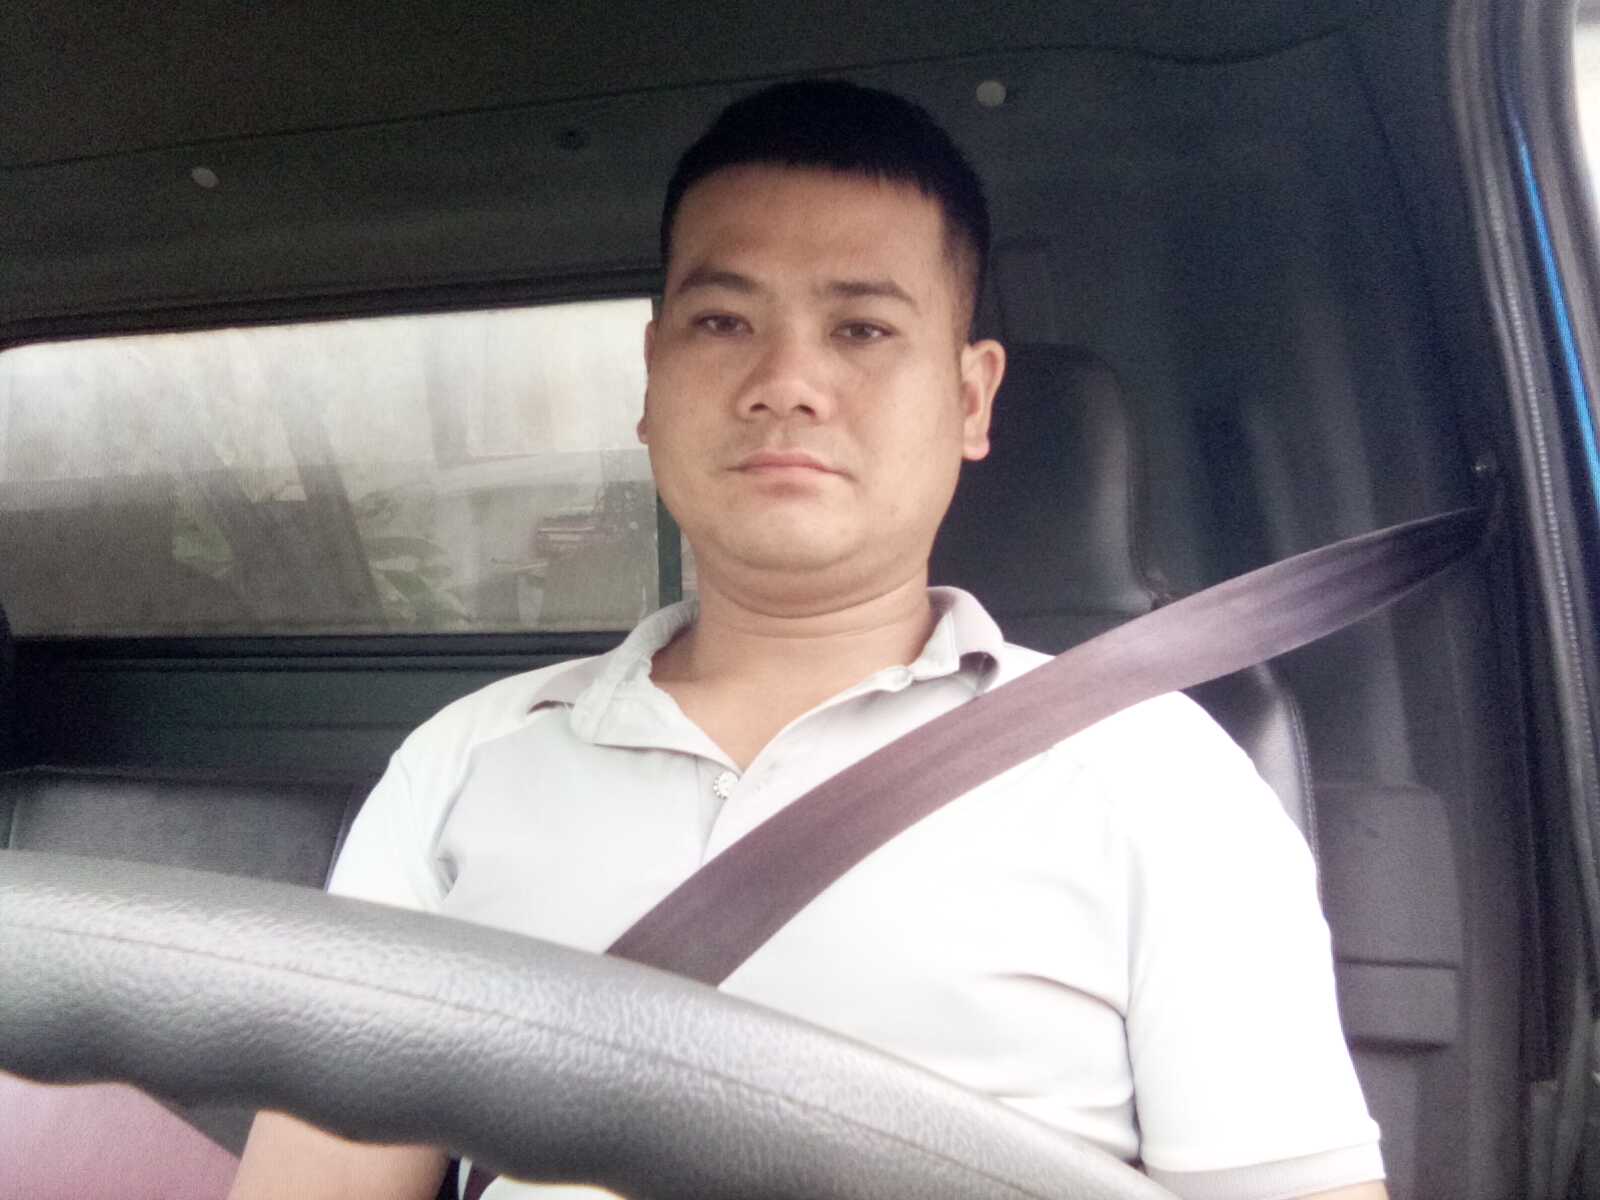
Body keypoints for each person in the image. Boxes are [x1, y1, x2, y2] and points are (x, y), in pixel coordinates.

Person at [228, 81, 1387, 1200]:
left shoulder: (1154, 776)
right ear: (652, 378)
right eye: (723, 322)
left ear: (971, 400)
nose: (785, 384)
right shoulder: (464, 759)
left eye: (862, 327)